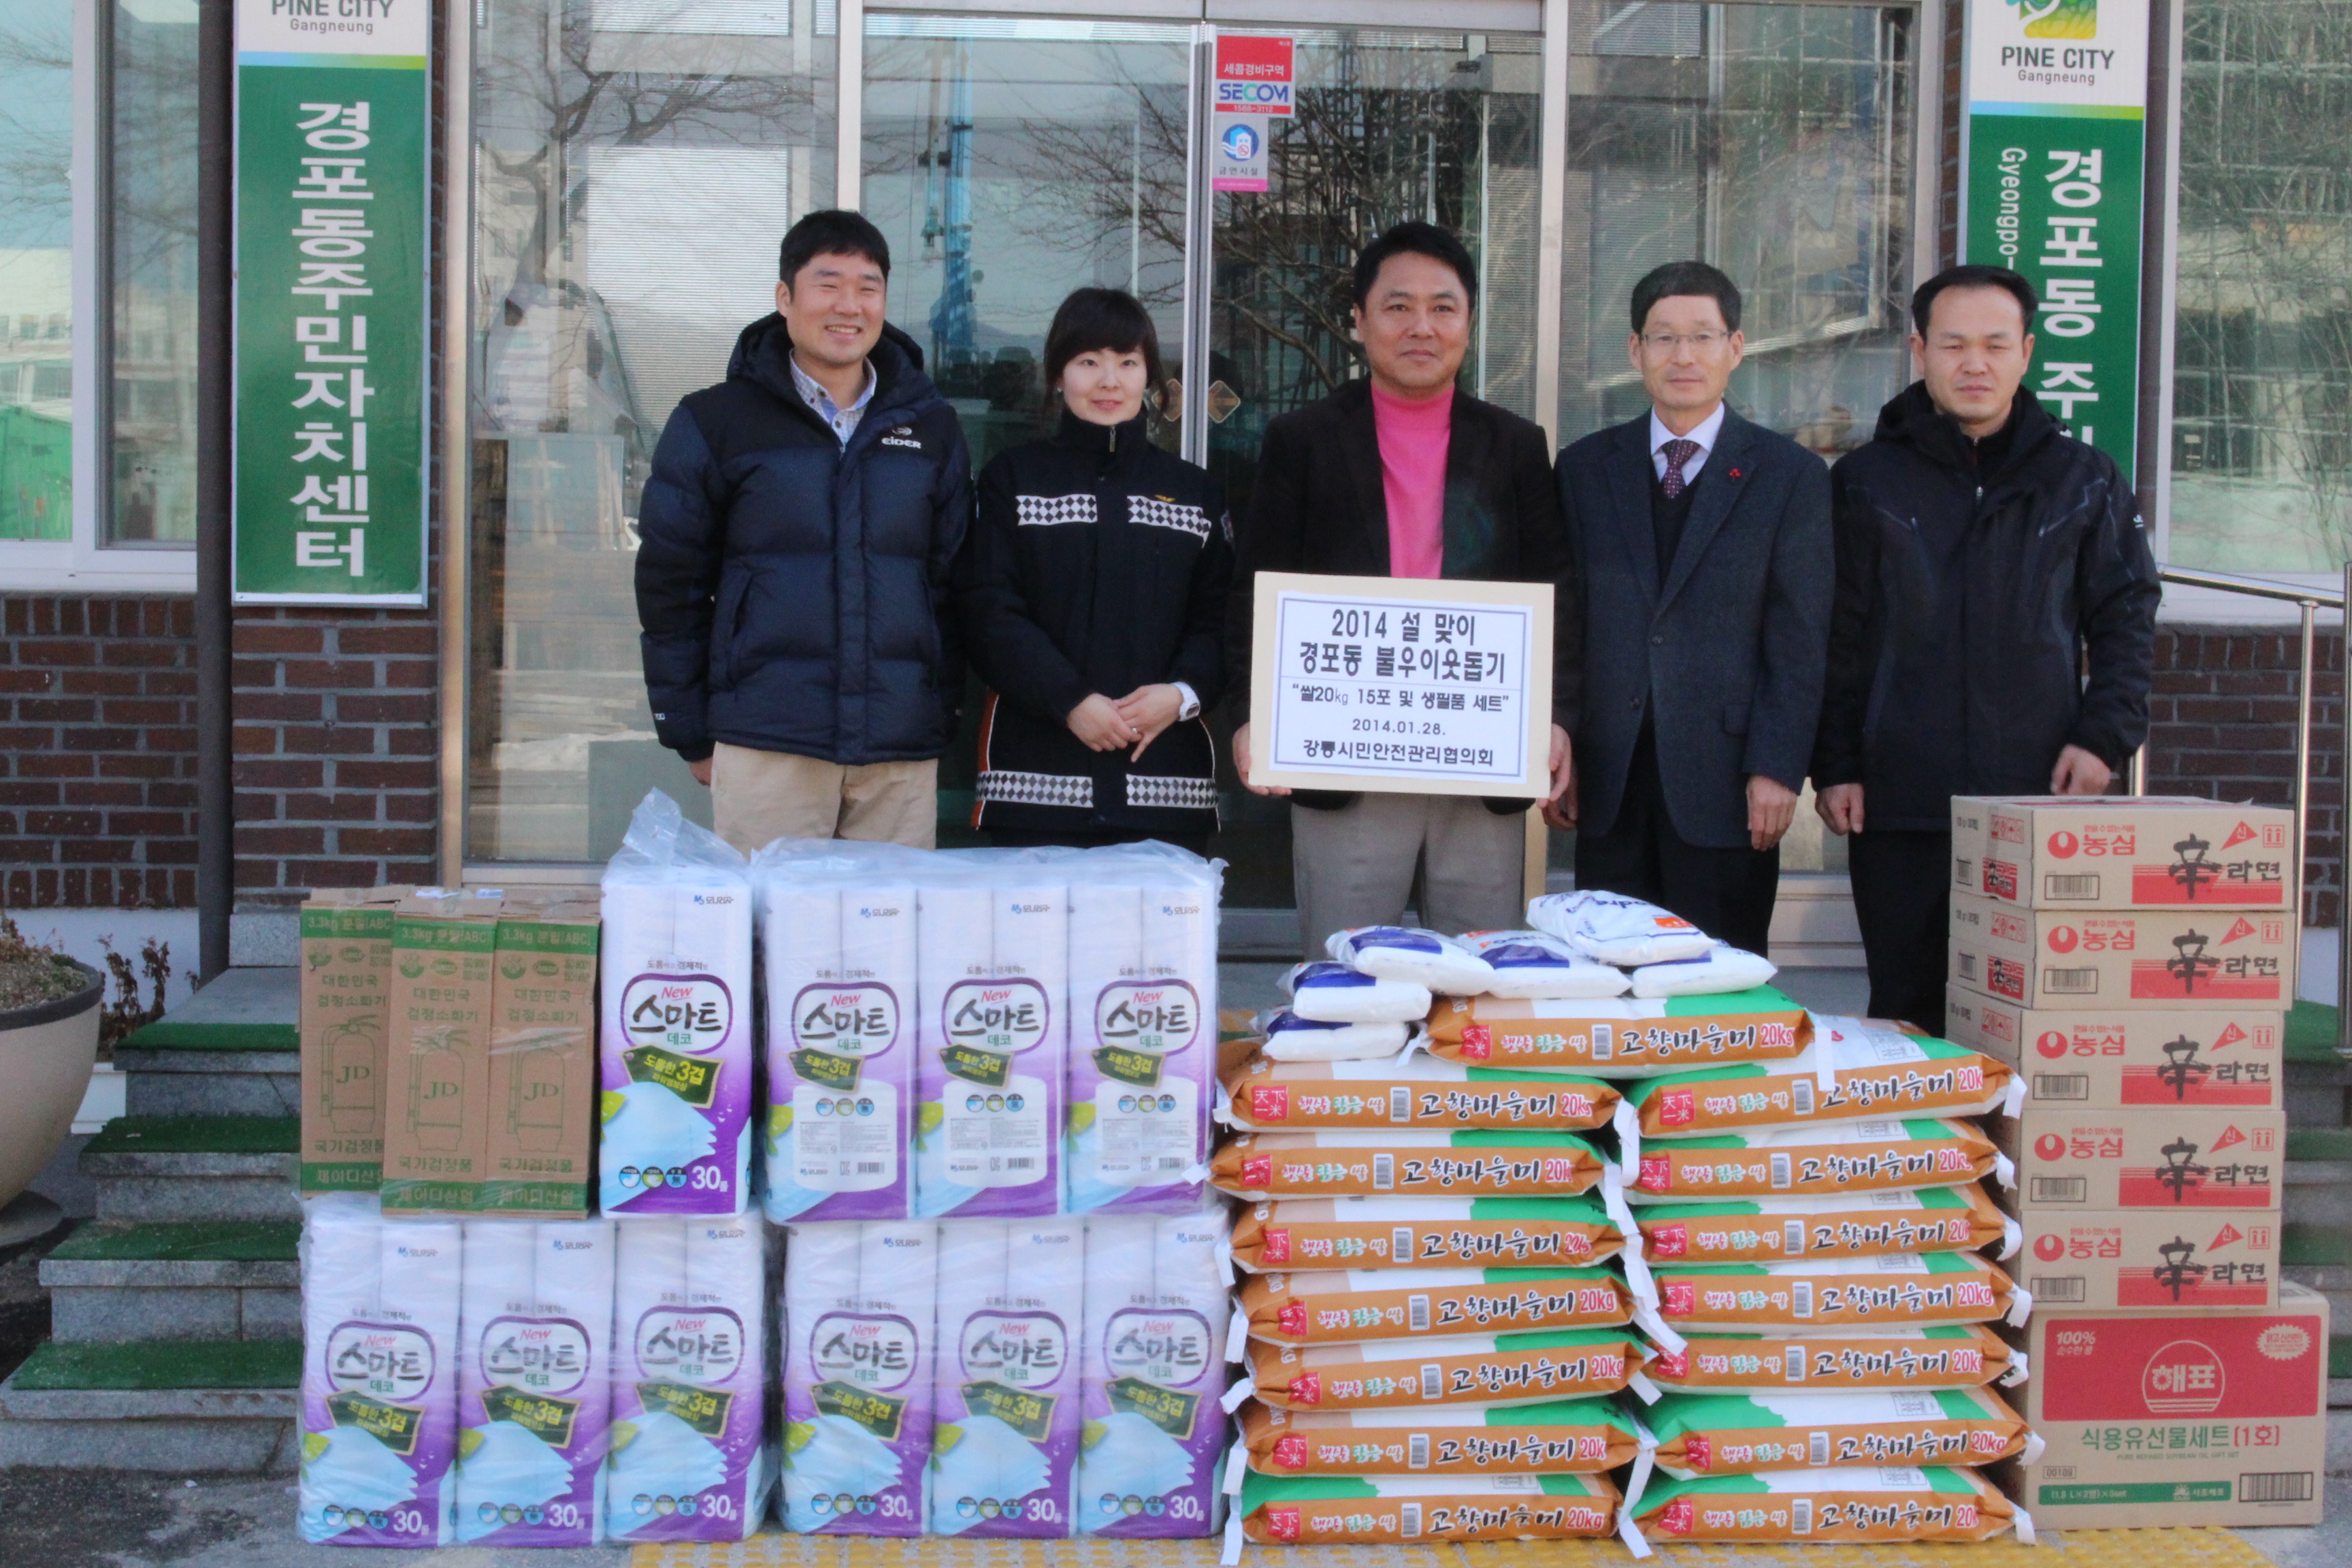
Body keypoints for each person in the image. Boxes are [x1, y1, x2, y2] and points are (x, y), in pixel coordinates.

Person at [1812, 264, 2159, 1034]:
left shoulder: (2083, 479)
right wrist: (1835, 764)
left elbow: (2127, 614)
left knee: (2027, 1014)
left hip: (2036, 792)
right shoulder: (1867, 480)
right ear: (1919, 350)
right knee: (1904, 1014)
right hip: (1900, 797)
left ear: (2026, 352)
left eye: (1996, 345)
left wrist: (2104, 737)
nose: (1976, 363)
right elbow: (1837, 632)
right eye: (1954, 344)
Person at [1226, 221, 1577, 953]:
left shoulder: (1515, 445)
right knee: (1350, 975)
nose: (1422, 326)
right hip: (1343, 756)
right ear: (1359, 320)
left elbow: (1557, 590)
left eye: (1443, 307)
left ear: (1469, 322)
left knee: (1481, 976)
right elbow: (1255, 589)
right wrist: (1253, 715)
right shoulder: (1303, 440)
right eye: (1398, 306)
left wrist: (1558, 718)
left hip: (1479, 752)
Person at [634, 209, 972, 854]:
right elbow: (671, 587)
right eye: (828, 284)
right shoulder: (716, 422)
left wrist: (938, 708)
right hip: (768, 739)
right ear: (785, 298)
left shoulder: (932, 428)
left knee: (888, 917)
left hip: (896, 750)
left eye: (868, 287)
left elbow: (951, 584)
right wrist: (687, 727)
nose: (849, 305)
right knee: (770, 917)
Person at [1554, 261, 1832, 956]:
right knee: (1608, 978)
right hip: (1610, 779)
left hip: (1729, 783)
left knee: (1718, 980)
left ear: (1735, 348)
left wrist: (1777, 767)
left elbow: (1800, 638)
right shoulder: (1586, 469)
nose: (1684, 356)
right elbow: (1566, 622)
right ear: (1635, 350)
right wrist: (1561, 742)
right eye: (1664, 337)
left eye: (1703, 336)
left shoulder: (1789, 475)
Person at [953, 287, 1234, 852]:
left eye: (1127, 363)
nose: (1109, 381)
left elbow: (1223, 620)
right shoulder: (1013, 479)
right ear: (1058, 375)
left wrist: (1180, 694)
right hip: (1037, 788)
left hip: (1165, 789)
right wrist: (1070, 700)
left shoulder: (1195, 493)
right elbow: (988, 610)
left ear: (1148, 376)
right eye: (1088, 362)